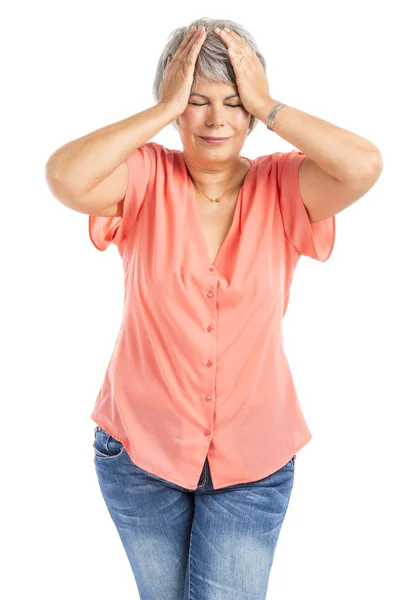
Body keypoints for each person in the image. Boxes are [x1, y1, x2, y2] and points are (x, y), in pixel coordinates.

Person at [45, 17, 383, 600]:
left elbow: (365, 165)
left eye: (233, 102)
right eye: (197, 101)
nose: (216, 119)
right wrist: (162, 106)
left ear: (251, 112)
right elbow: (63, 176)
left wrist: (269, 102)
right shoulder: (146, 176)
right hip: (139, 454)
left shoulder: (284, 186)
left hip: (252, 464)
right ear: (176, 107)